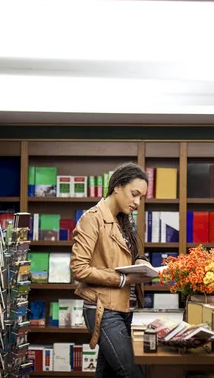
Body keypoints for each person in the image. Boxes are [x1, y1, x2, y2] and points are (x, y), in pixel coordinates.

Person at [70, 162, 152, 378]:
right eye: (134, 194)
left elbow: (134, 254)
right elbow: (79, 268)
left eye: (141, 197)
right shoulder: (92, 219)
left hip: (127, 308)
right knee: (132, 373)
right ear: (117, 186)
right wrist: (122, 279)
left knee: (109, 374)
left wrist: (143, 263)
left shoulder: (125, 221)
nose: (137, 202)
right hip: (104, 309)